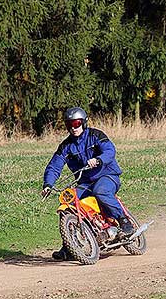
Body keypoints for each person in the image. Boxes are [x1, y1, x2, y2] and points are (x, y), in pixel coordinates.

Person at [41, 107, 134, 261]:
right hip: (85, 182)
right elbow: (54, 166)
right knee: (68, 201)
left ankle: (124, 221)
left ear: (83, 122)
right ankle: (69, 245)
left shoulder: (95, 135)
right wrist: (48, 184)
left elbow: (110, 150)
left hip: (107, 175)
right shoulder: (66, 146)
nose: (73, 127)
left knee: (100, 191)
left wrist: (99, 159)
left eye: (77, 123)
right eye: (69, 124)